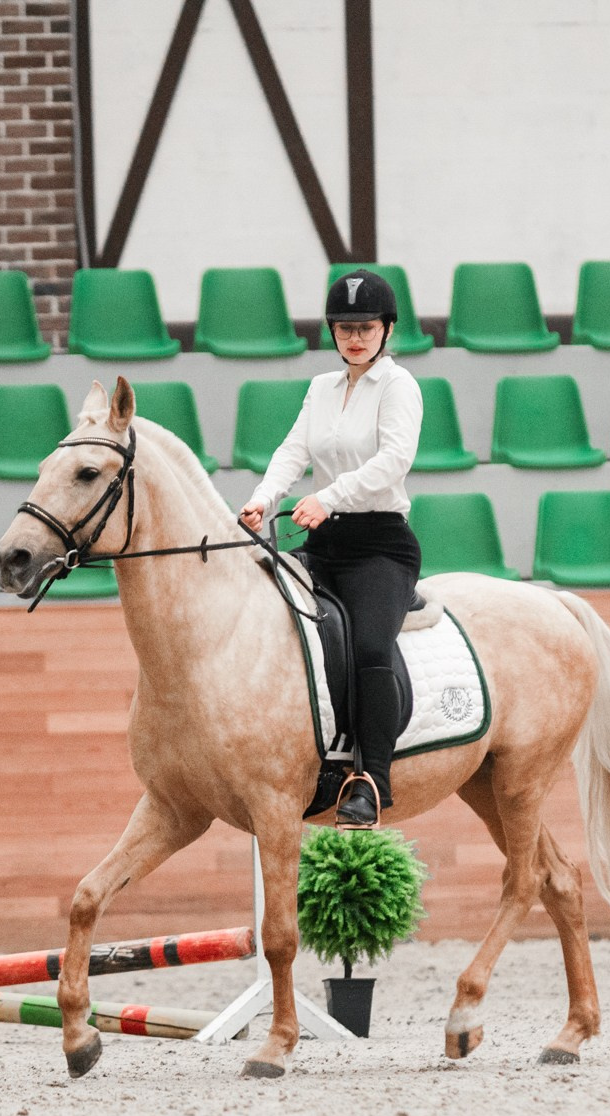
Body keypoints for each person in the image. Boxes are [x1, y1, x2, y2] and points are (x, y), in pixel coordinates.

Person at [239, 269, 423, 830]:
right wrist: (262, 501)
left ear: (387, 329)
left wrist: (328, 496)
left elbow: (394, 460)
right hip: (323, 542)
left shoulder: (398, 387)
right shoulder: (321, 388)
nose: (355, 338)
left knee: (369, 646)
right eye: (345, 328)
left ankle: (370, 780)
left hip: (380, 546)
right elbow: (292, 451)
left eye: (366, 327)